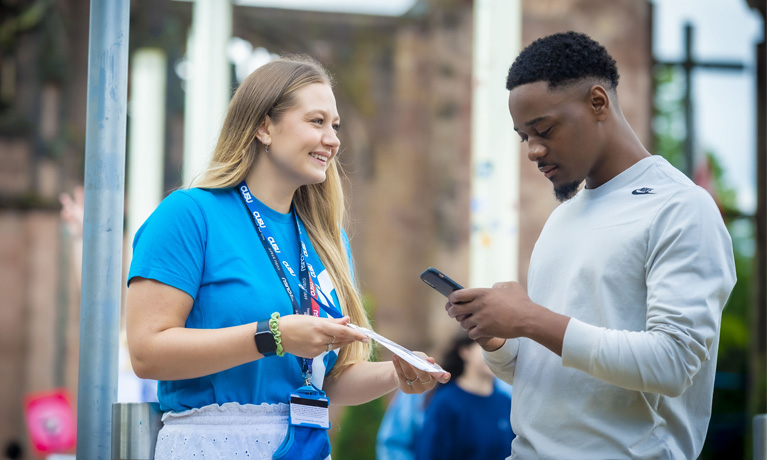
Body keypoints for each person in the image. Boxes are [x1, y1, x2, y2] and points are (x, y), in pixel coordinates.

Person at [125, 56, 450, 460]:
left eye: (335, 126)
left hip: (306, 445)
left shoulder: (329, 240)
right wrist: (274, 335)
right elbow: (146, 352)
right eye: (316, 122)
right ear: (264, 126)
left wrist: (398, 371)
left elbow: (325, 380)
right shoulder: (189, 214)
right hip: (211, 445)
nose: (332, 139)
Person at [444, 31, 736, 459]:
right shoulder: (563, 216)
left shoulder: (682, 208)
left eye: (543, 129)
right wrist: (499, 340)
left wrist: (529, 318)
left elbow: (673, 363)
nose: (532, 150)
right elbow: (544, 373)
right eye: (523, 136)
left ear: (598, 102)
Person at [415, 334, 514, 460]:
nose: (495, 353)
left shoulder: (506, 402)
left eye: (501, 347)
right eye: (487, 345)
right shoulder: (447, 402)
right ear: (465, 351)